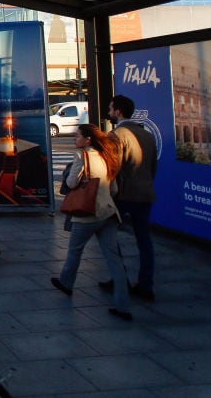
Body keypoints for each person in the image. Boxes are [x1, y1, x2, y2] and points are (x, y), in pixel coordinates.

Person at [51, 123, 132, 321]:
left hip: (87, 213)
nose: (74, 139)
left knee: (75, 250)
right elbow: (113, 189)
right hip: (108, 211)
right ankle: (123, 304)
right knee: (114, 259)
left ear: (88, 140)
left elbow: (70, 183)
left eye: (78, 136)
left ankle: (67, 283)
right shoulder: (107, 156)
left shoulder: (81, 156)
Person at [100, 94, 159, 302]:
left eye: (110, 108)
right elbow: (152, 167)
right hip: (145, 194)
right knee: (144, 240)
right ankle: (146, 284)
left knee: (109, 236)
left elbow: (112, 168)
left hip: (123, 194)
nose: (108, 113)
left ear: (118, 112)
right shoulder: (148, 135)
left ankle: (119, 278)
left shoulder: (116, 135)